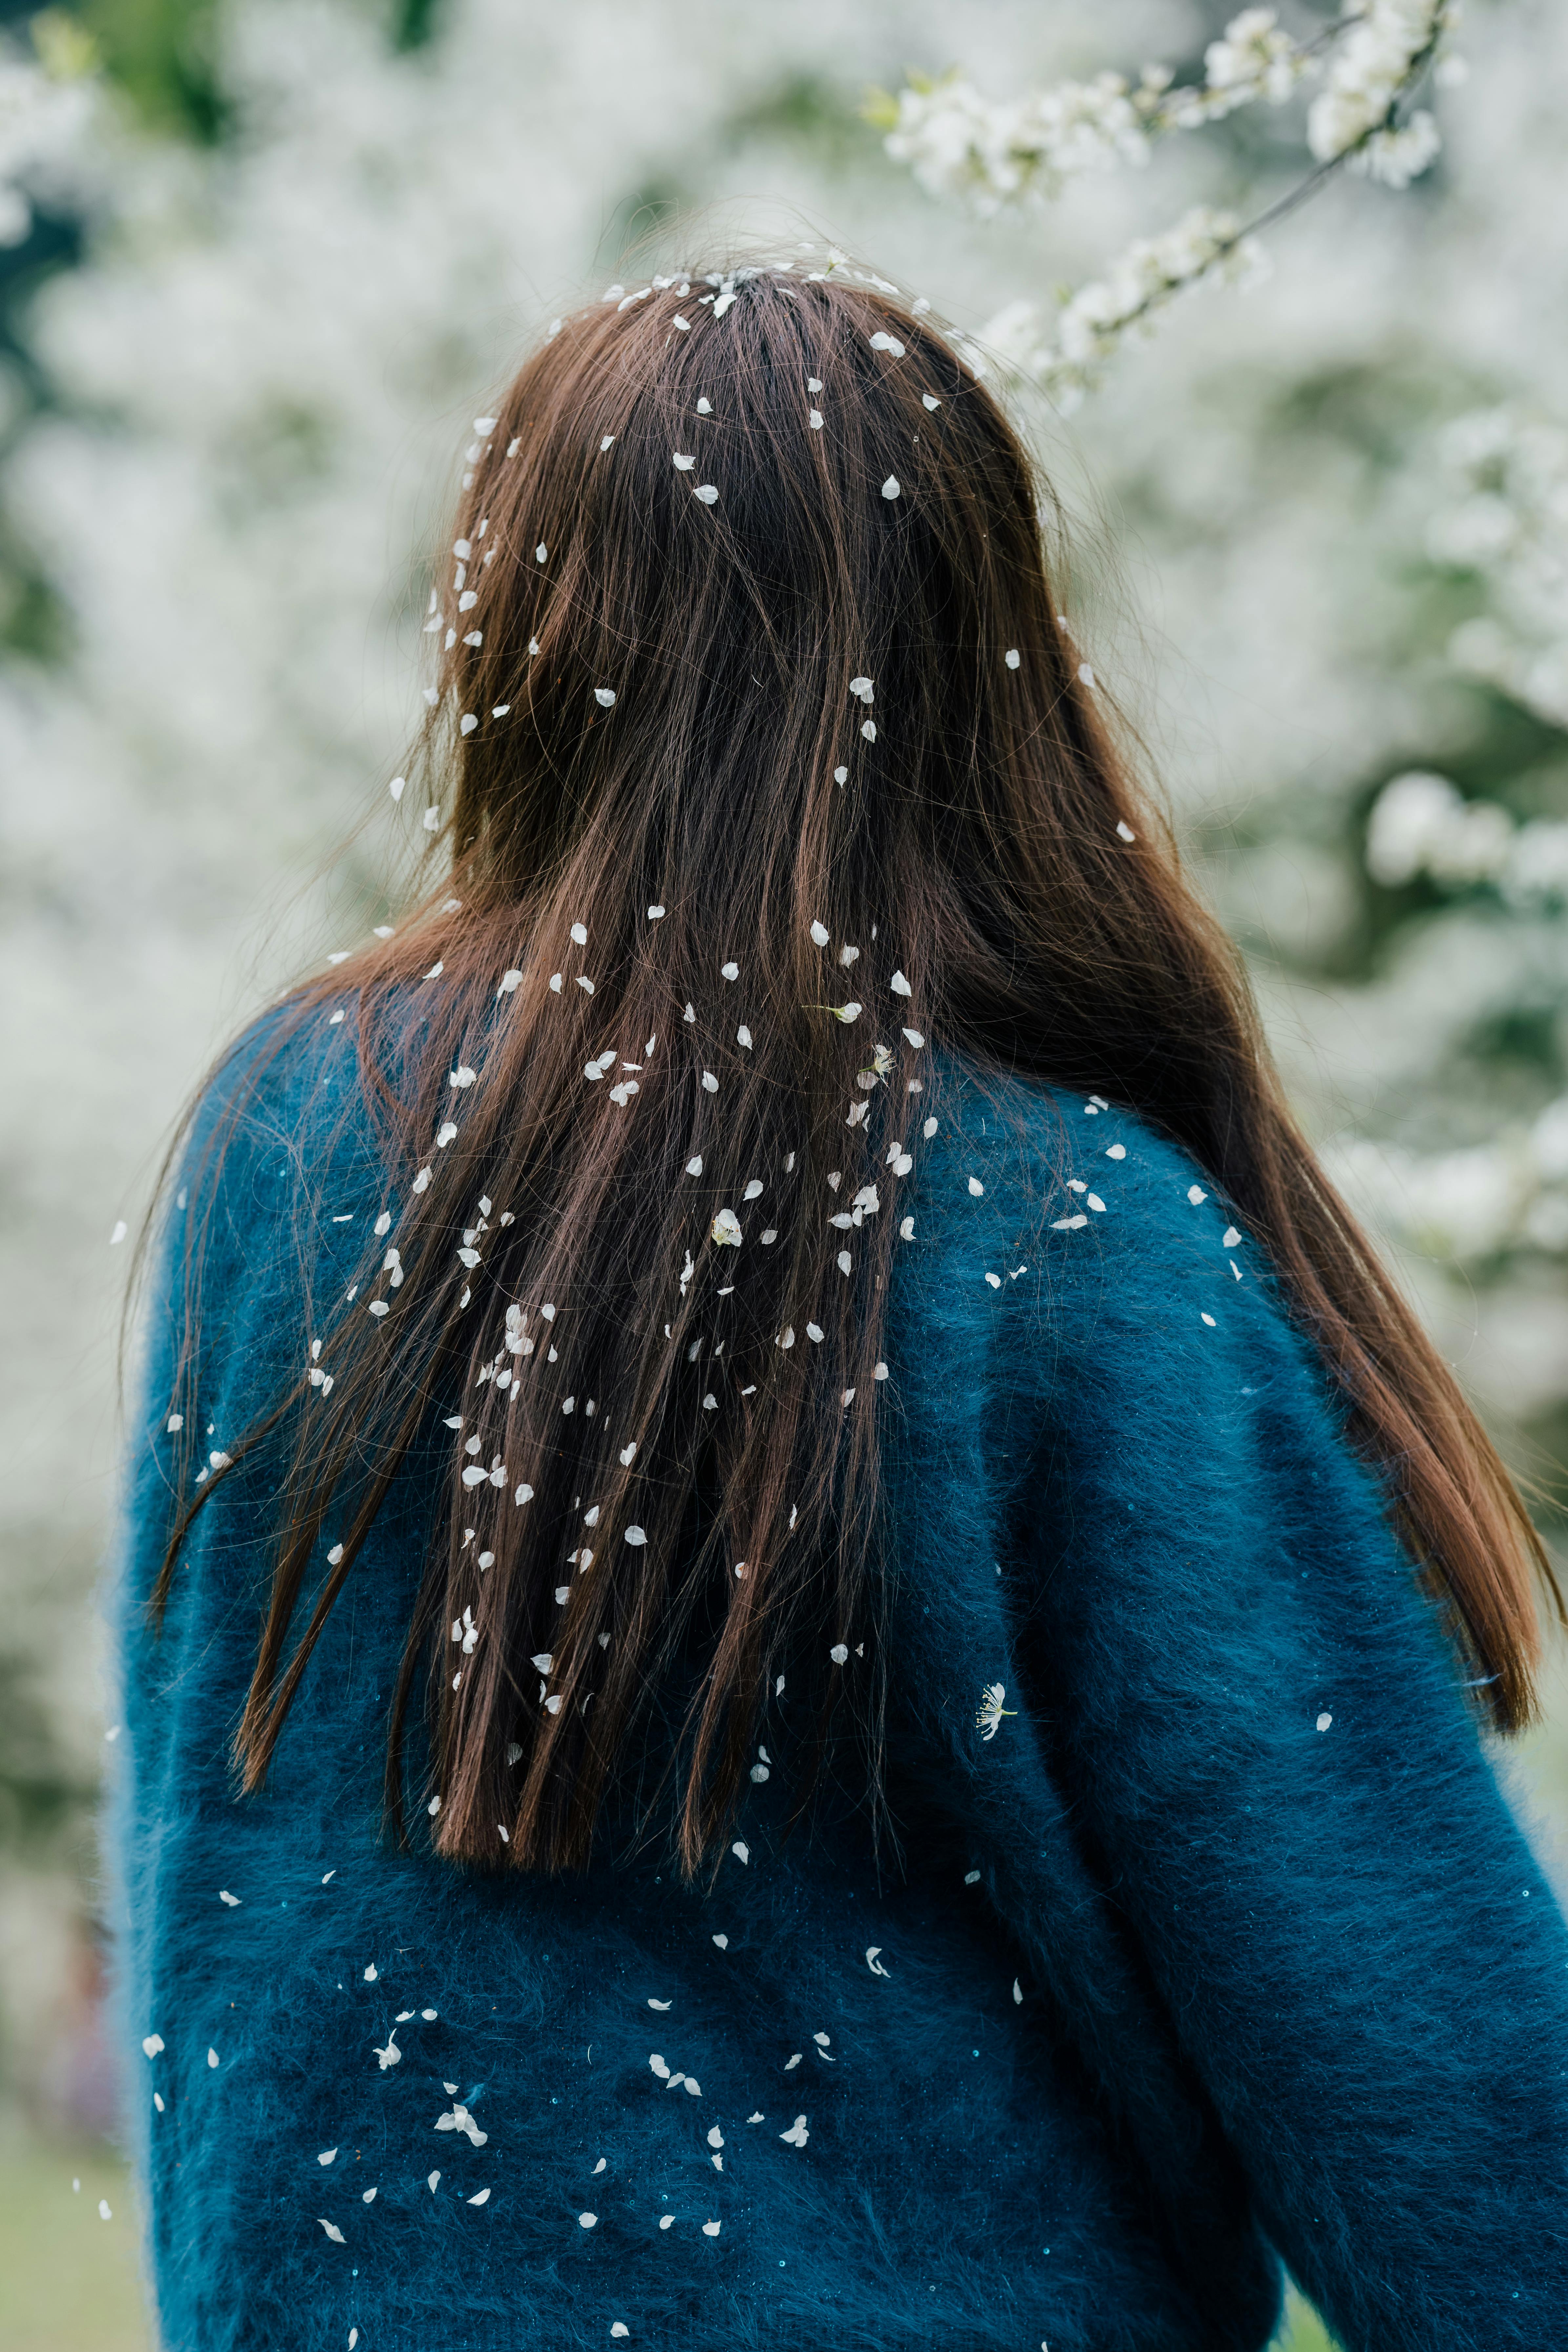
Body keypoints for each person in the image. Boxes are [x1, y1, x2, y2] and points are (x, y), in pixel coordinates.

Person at [107, 257, 1568, 2352]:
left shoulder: (288, 1148)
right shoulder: (1070, 1248)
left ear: (515, 639)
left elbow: (215, 1907)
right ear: (988, 663)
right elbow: (1438, 2086)